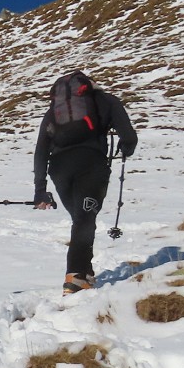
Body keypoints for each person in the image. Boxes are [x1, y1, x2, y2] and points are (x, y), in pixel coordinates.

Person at [33, 70, 137, 294]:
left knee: (81, 219)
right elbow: (129, 137)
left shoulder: (54, 112)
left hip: (59, 170)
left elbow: (41, 150)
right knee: (84, 220)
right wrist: (125, 148)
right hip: (91, 165)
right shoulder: (107, 101)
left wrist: (40, 190)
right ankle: (75, 277)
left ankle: (85, 272)